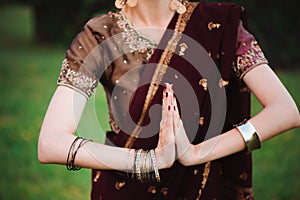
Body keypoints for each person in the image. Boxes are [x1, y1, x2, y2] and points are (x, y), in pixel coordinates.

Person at [38, 0, 300, 199]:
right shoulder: (100, 35)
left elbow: (285, 111)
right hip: (128, 190)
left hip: (203, 189)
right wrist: (149, 161)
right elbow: (50, 143)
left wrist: (196, 153)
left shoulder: (216, 25)